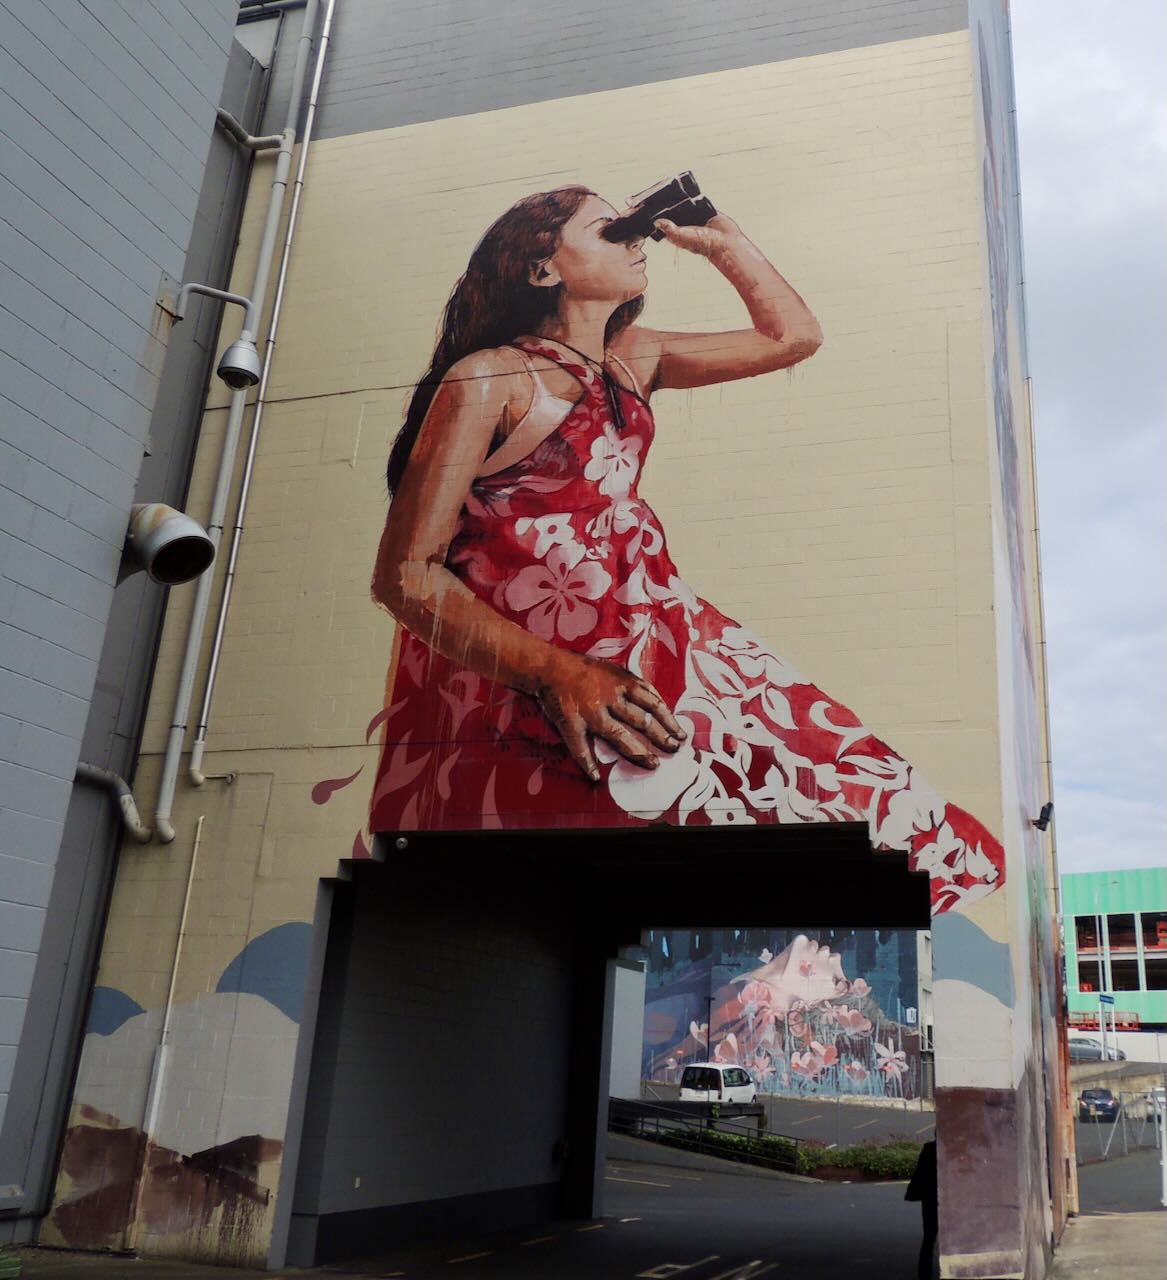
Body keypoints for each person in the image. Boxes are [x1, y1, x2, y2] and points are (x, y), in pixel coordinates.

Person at [339, 183, 1004, 912]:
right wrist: (554, 673)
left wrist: (725, 243)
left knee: (852, 788)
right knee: (579, 847)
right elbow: (405, 574)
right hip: (531, 663)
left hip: (654, 625)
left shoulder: (634, 359)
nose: (633, 241)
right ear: (541, 269)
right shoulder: (491, 378)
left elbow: (793, 338)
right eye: (609, 230)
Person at [904, 1138, 938, 1279]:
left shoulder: (929, 1149)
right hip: (947, 1200)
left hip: (930, 1198)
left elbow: (921, 1172)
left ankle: (924, 1275)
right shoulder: (954, 1149)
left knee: (928, 1240)